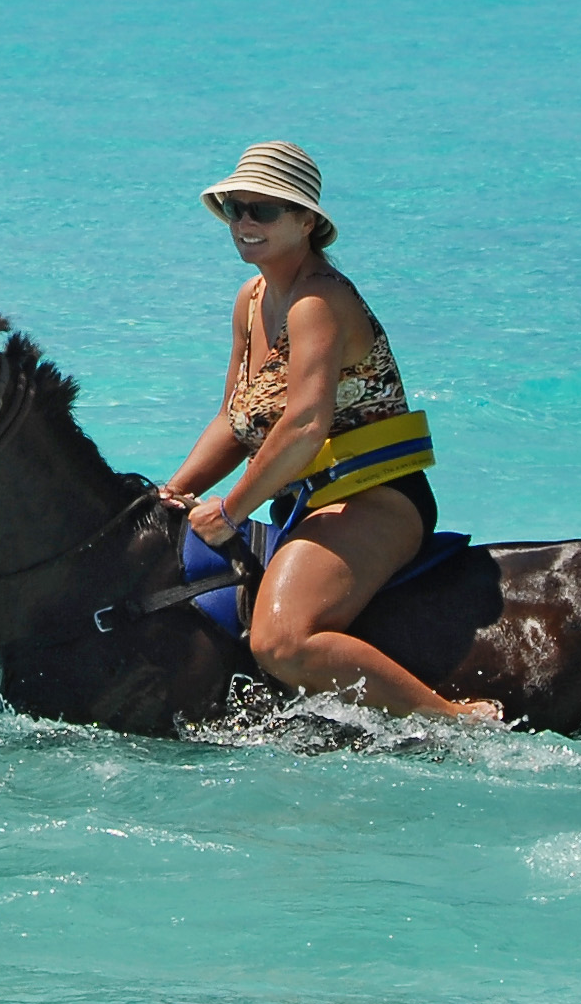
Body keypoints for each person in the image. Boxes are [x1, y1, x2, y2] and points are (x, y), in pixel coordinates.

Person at [158, 141, 500, 722]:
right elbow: (235, 421)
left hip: (373, 497)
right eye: (235, 207)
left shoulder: (319, 300)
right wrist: (170, 492)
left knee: (281, 642)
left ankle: (455, 720)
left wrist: (232, 510)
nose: (244, 222)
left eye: (263, 209)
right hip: (303, 502)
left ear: (307, 221)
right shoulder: (253, 297)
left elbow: (304, 426)